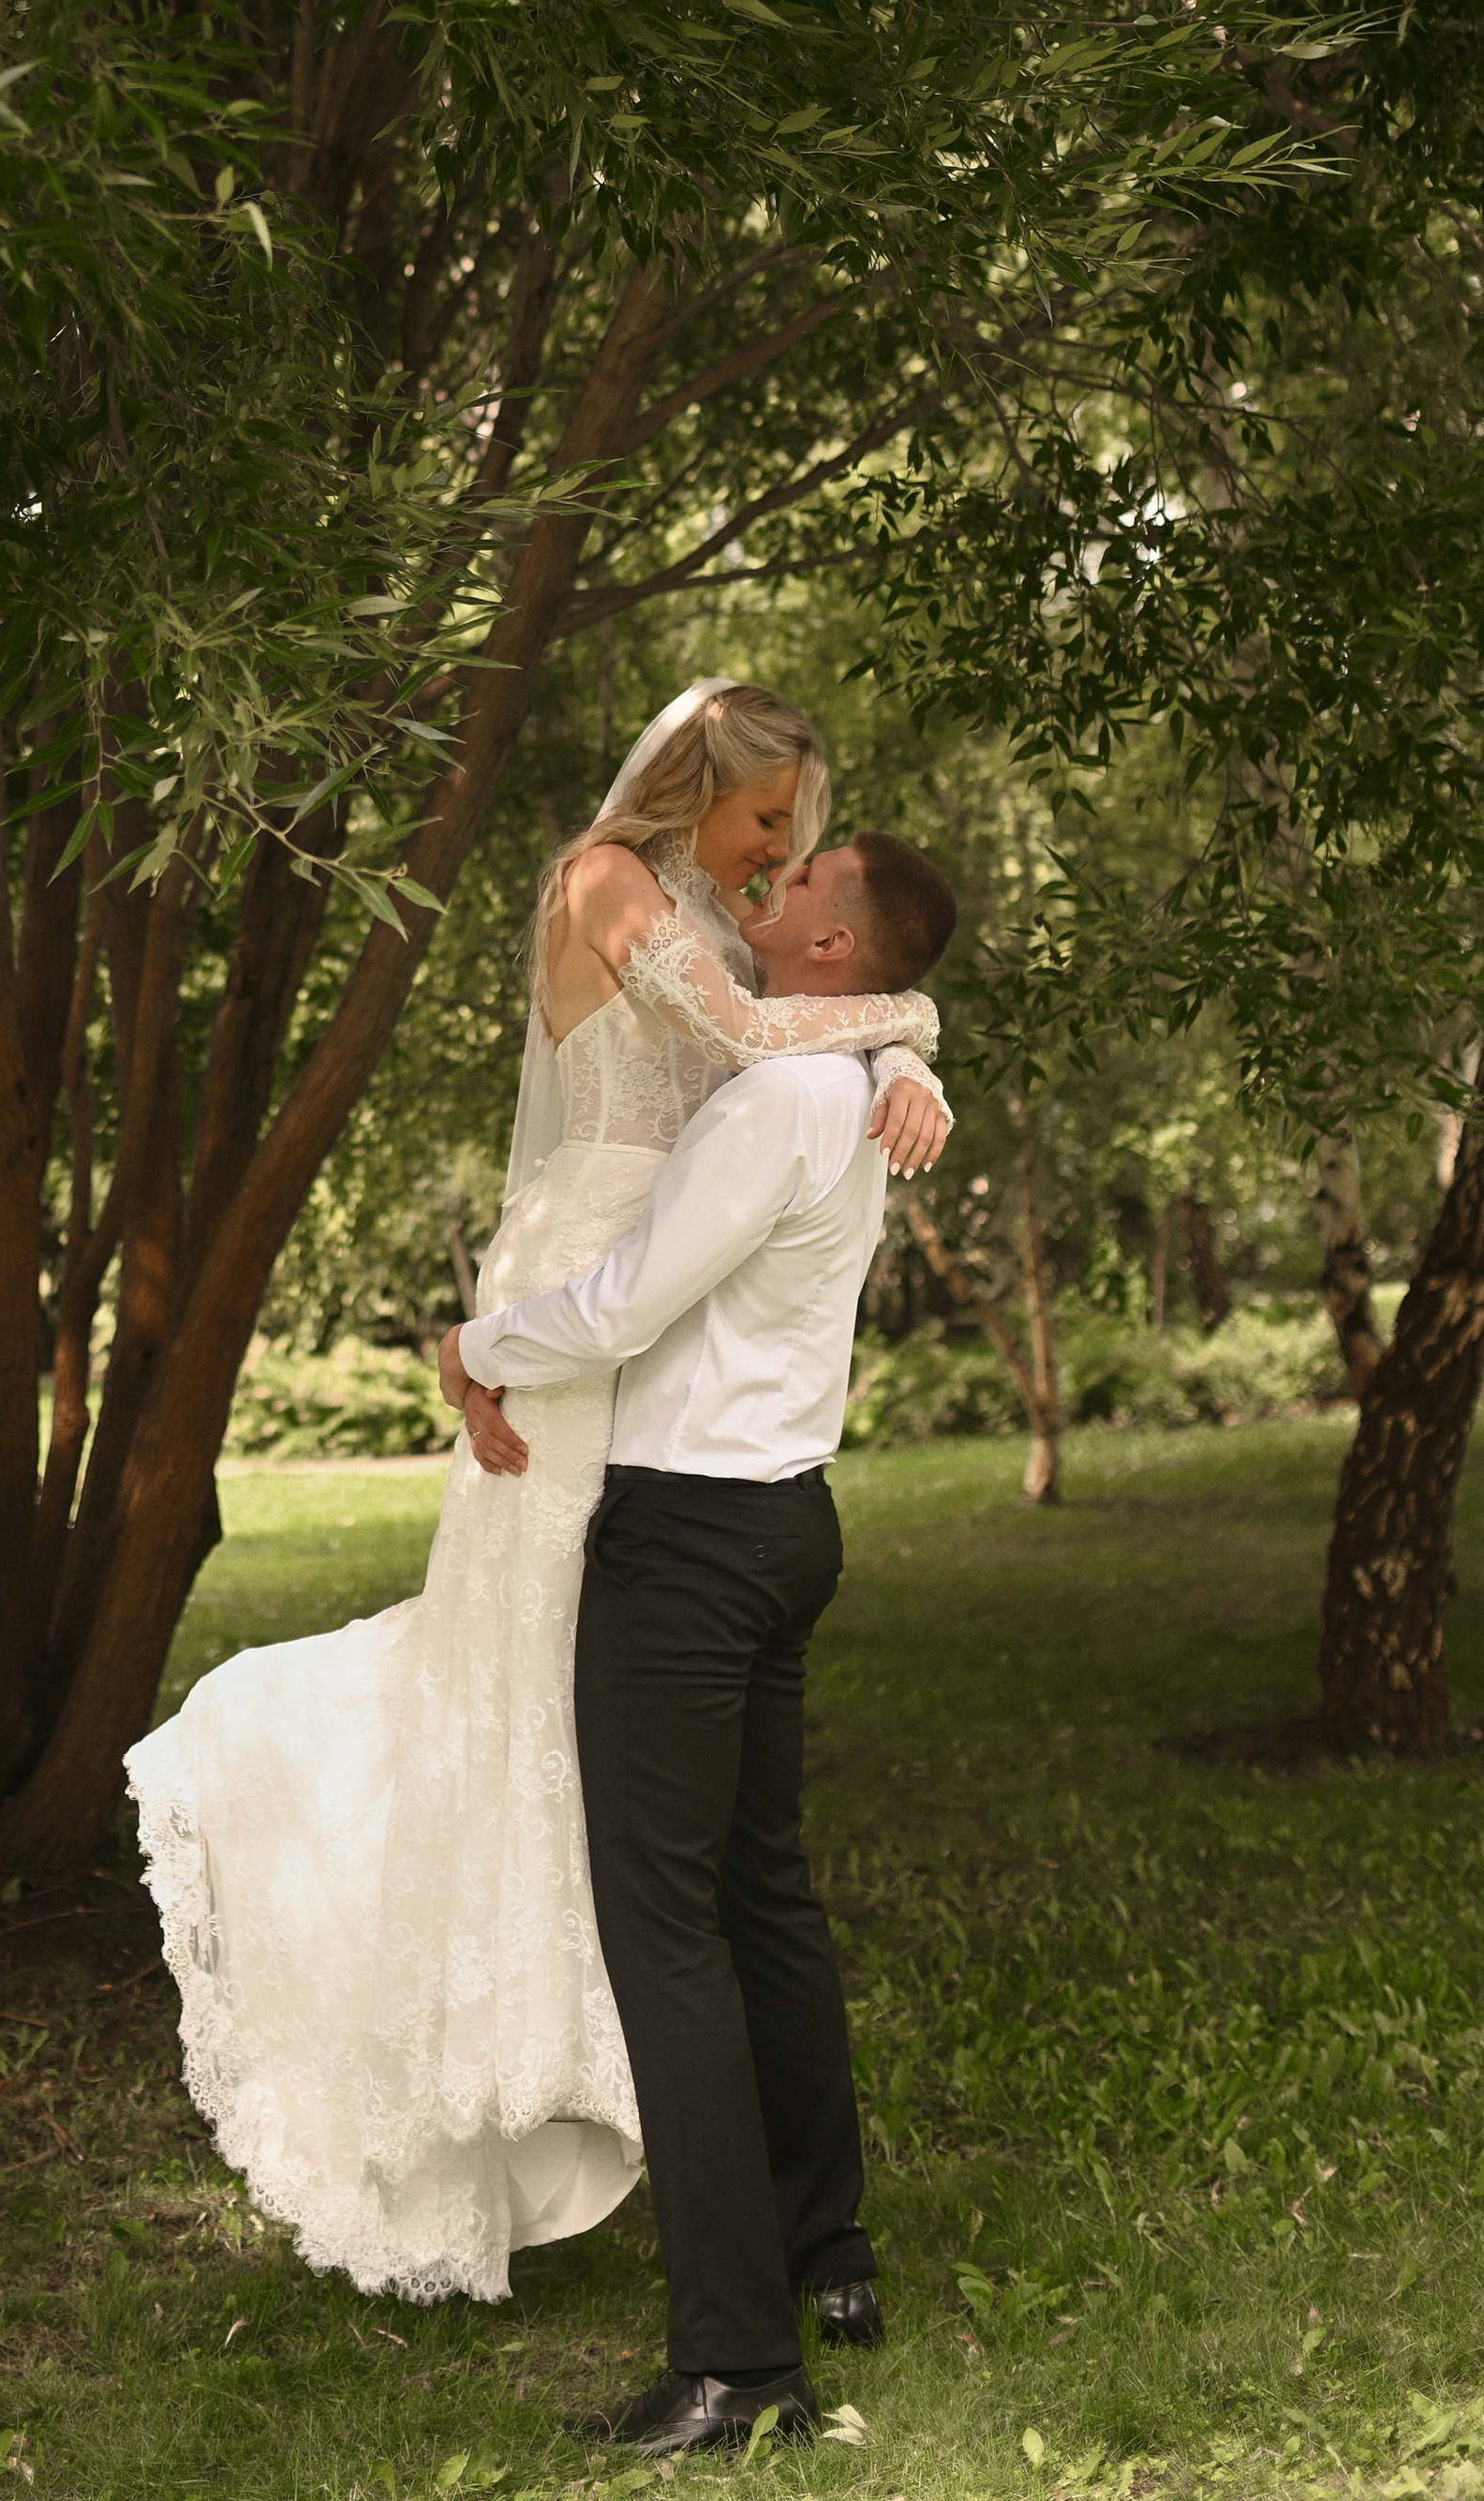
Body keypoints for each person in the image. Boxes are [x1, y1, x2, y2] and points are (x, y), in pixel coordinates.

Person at [125, 681, 951, 2308]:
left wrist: (914, 1047)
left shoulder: (728, 919)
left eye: (793, 834)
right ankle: (497, 2117)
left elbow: (804, 1026)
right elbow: (766, 1032)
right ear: (695, 784)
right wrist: (907, 1028)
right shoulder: (603, 880)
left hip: (652, 1323)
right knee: (523, 1713)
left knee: (644, 1796)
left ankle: (724, 2200)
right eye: (766, 817)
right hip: (588, 1301)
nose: (776, 851)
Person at [444, 826, 960, 2456]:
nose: (773, 887)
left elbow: (627, 1302)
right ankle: (831, 2256)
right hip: (786, 1522)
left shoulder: (778, 1100)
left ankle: (739, 2364)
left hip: (687, 1545)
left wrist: (477, 1341)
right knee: (762, 1897)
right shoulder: (863, 1083)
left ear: (829, 952)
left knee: (666, 1935)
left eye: (804, 881)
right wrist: (914, 1042)